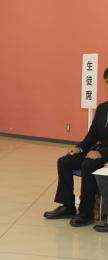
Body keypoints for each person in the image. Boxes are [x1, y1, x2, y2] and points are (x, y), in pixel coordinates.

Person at [45, 67, 108, 227]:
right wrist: (79, 148)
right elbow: (92, 135)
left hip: (105, 155)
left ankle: (86, 213)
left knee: (88, 165)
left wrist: (101, 155)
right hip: (98, 151)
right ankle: (68, 206)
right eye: (107, 83)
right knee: (65, 161)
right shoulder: (102, 108)